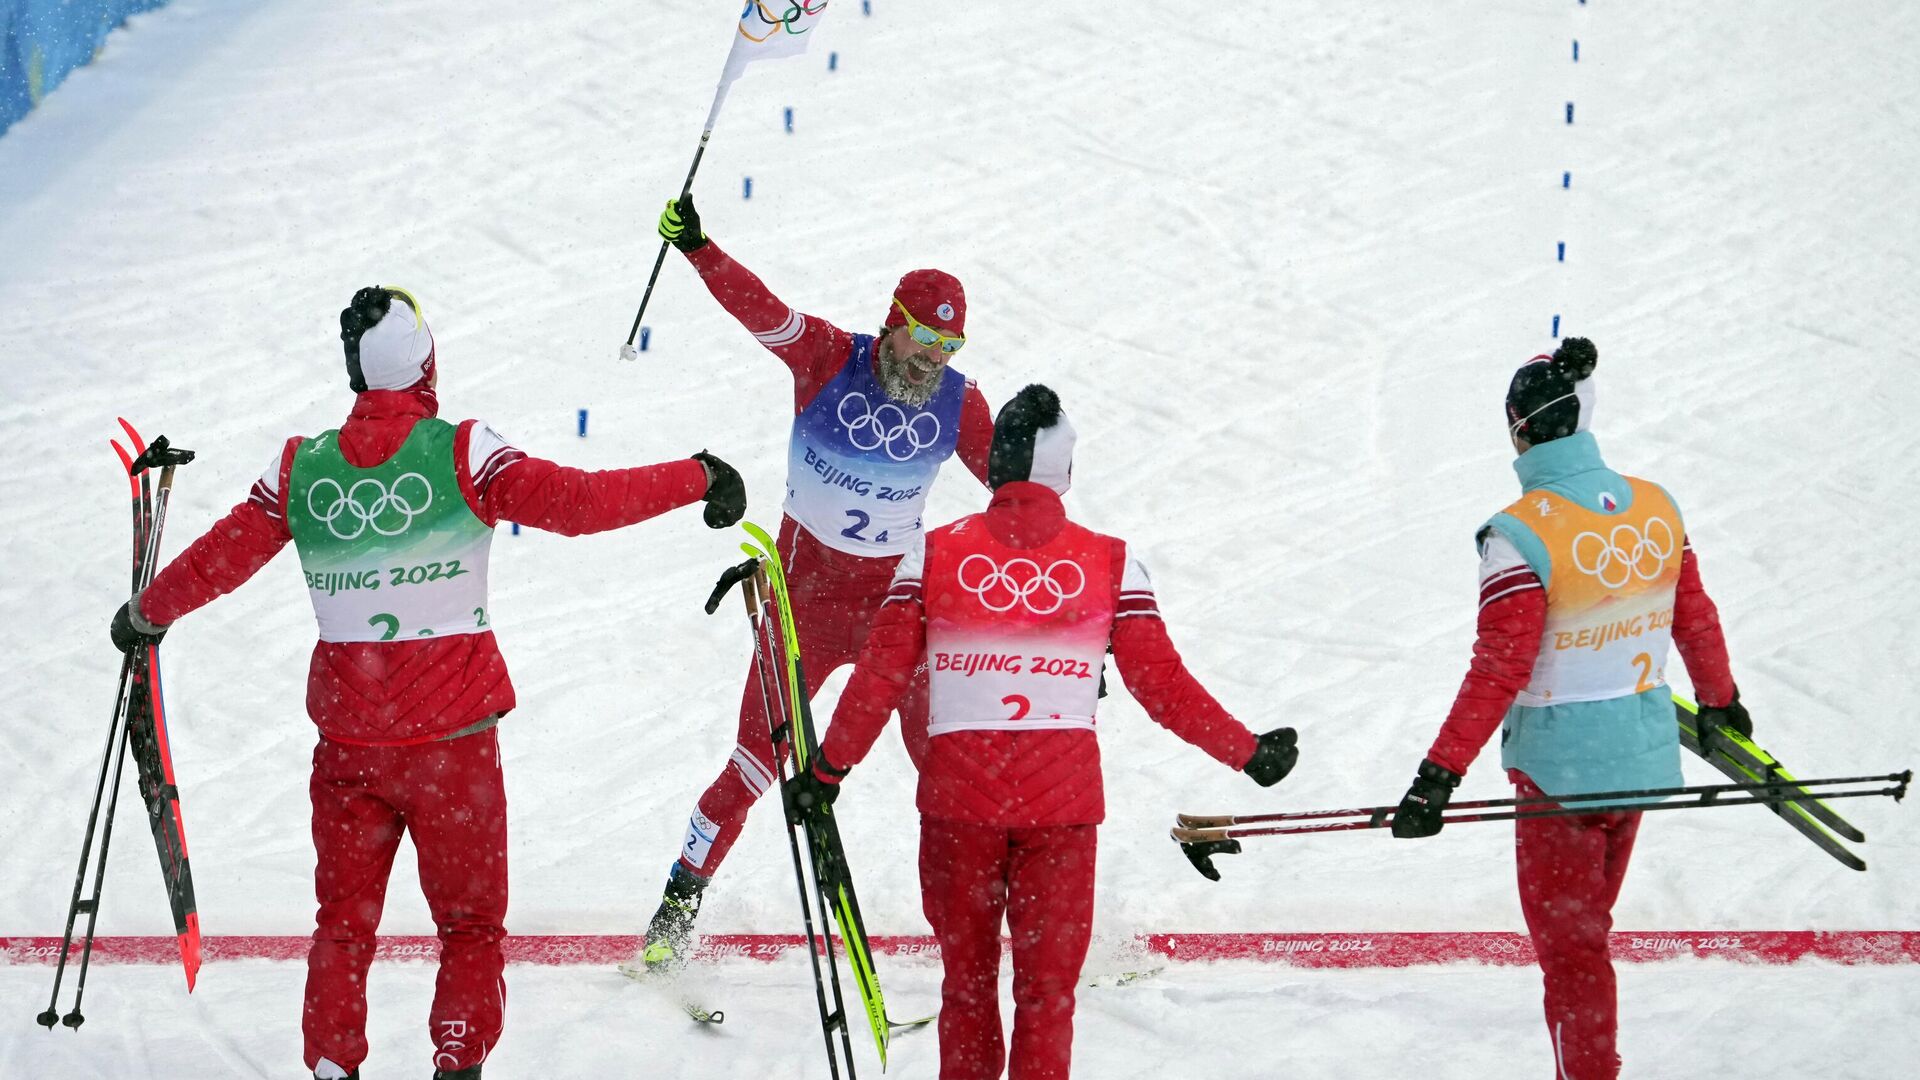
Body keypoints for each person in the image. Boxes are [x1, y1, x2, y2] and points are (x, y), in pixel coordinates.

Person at [107, 286, 747, 1080]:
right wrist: (697, 476)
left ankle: (334, 1064)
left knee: (342, 925)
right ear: (425, 360)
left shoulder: (300, 466)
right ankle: (457, 1060)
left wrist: (147, 613)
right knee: (470, 926)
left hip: (350, 749)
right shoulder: (462, 452)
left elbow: (222, 558)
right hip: (454, 752)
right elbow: (579, 505)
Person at [784, 384, 1299, 1080]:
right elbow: (1163, 689)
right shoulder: (1111, 562)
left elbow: (879, 678)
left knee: (966, 990)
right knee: (1047, 997)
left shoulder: (931, 554)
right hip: (1060, 813)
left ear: (995, 465)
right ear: (1062, 471)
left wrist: (826, 772)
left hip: (957, 808)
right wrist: (1248, 752)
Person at [637, 193, 1000, 969]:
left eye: (950, 342)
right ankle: (678, 902)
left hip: (897, 612)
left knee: (945, 764)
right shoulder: (829, 358)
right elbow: (762, 312)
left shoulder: (960, 404)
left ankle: (979, 924)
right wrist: (700, 248)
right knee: (752, 764)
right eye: (924, 336)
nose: (934, 355)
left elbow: (1019, 497)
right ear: (894, 319)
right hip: (801, 605)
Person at [1388, 339, 1744, 1080]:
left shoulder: (1520, 533)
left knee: (1571, 953)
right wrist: (1721, 702)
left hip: (1560, 775)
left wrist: (1438, 773)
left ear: (1516, 431)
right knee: (1587, 938)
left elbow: (1500, 667)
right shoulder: (1654, 504)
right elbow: (1695, 615)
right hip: (1639, 760)